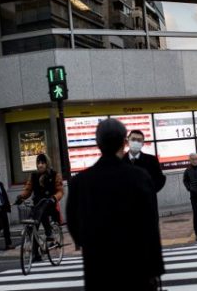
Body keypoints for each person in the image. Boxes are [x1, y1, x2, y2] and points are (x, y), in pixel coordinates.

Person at [67, 118, 164, 291]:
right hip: (136, 267)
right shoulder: (139, 177)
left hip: (98, 267)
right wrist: (155, 270)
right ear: (123, 143)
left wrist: (89, 244)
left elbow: (74, 225)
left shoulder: (80, 182)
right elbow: (150, 225)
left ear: (98, 143)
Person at [15, 153, 64, 261]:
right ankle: (36, 254)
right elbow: (28, 190)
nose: (40, 165)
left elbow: (60, 191)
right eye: (38, 163)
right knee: (31, 226)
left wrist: (54, 198)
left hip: (49, 204)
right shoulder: (33, 176)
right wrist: (21, 197)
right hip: (37, 204)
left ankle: (49, 232)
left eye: (42, 163)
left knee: (43, 213)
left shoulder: (55, 174)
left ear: (47, 164)